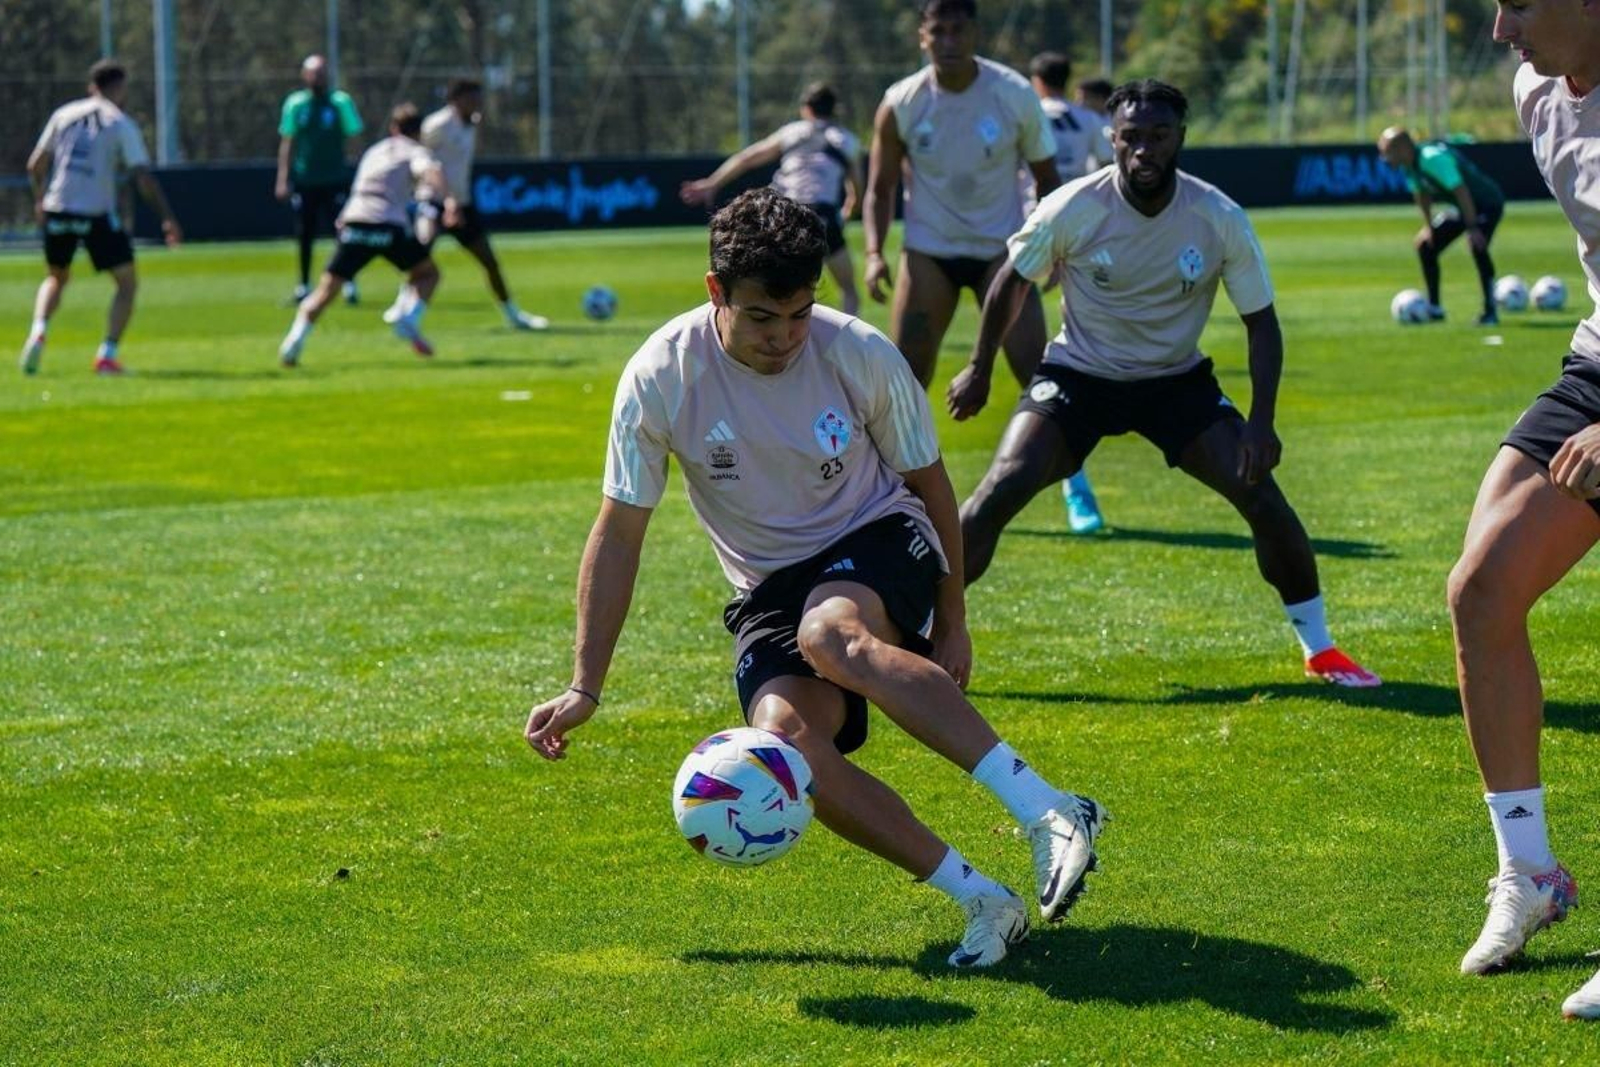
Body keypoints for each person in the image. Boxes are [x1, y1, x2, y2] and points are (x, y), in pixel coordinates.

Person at [523, 188, 1108, 969]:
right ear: (715, 293)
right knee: (785, 749)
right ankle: (984, 900)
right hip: (766, 589)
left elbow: (933, 486)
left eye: (799, 313)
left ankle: (1049, 810)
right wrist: (584, 685)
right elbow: (620, 531)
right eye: (762, 317)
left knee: (831, 633)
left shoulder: (855, 350)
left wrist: (953, 615)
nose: (785, 337)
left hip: (878, 532)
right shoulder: (660, 375)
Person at [947, 79, 1380, 689]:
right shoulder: (1074, 206)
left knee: (1262, 497)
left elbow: (1262, 323)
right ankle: (924, 632)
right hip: (1079, 375)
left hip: (1176, 382)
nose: (1143, 150)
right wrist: (981, 366)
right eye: (1131, 138)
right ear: (1112, 139)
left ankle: (1321, 648)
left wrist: (1261, 422)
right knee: (1002, 485)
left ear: (1180, 137)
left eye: (1158, 136)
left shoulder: (1216, 216)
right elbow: (1010, 284)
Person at [1450, 0, 1600, 1021]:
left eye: (1520, 4)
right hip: (1596, 365)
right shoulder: (1534, 89)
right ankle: (1530, 873)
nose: (1501, 28)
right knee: (1480, 592)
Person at [863, 0, 1059, 390]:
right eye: (938, 31)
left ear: (975, 34)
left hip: (1002, 252)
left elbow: (1048, 181)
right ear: (923, 38)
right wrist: (873, 253)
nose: (948, 41)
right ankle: (898, 456)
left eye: (958, 30)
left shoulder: (1014, 93)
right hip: (930, 253)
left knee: (1042, 381)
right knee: (905, 384)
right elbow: (879, 189)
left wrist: (1052, 249)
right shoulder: (901, 102)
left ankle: (1065, 453)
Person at [20, 59, 182, 377]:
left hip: (58, 207)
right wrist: (167, 217)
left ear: (91, 85)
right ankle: (106, 355)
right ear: (119, 87)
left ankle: (38, 330)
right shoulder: (120, 123)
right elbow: (141, 176)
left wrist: (39, 200)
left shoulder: (63, 114)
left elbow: (34, 165)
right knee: (126, 283)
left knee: (56, 277)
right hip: (94, 213)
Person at [277, 104, 457, 367]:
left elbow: (360, 185)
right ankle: (410, 319)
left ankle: (293, 343)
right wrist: (450, 201)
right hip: (388, 225)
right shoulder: (416, 151)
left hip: (355, 222)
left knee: (327, 290)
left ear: (393, 128)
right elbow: (430, 171)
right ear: (418, 132)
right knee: (428, 273)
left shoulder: (375, 151)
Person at [680, 82, 864, 315]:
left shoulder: (793, 132)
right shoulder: (848, 141)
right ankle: (844, 348)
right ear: (834, 110)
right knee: (848, 290)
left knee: (777, 288)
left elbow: (748, 157)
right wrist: (850, 208)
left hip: (782, 214)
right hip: (822, 215)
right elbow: (858, 187)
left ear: (806, 109)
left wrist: (712, 183)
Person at [382, 78, 549, 332]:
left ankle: (513, 314)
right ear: (456, 99)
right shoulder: (436, 124)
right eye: (473, 98)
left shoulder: (471, 125)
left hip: (462, 205)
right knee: (420, 255)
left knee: (489, 261)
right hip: (432, 201)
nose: (478, 103)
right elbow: (414, 154)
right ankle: (402, 306)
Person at [1028, 50, 1114, 535]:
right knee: (1058, 360)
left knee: (1044, 375)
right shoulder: (1089, 120)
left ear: (1036, 81)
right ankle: (1076, 491)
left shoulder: (1025, 114)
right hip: (1078, 238)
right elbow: (1108, 175)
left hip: (1021, 233)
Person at [1376, 126, 1506, 327]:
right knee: (1426, 246)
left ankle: (1490, 312)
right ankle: (1435, 309)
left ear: (1402, 149)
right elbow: (1422, 195)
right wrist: (1428, 228)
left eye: (1387, 152)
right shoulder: (1409, 166)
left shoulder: (1431, 158)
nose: (1384, 157)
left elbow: (1461, 190)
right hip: (1463, 207)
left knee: (1477, 246)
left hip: (1487, 203)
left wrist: (1472, 228)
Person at [275, 55, 364, 305]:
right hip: (306, 181)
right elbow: (288, 142)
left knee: (345, 234)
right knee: (305, 233)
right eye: (314, 73)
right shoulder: (296, 104)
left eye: (322, 72)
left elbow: (354, 138)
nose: (318, 77)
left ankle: (348, 283)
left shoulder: (340, 102)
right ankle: (304, 285)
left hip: (336, 178)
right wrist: (283, 179)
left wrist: (362, 176)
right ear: (305, 76)